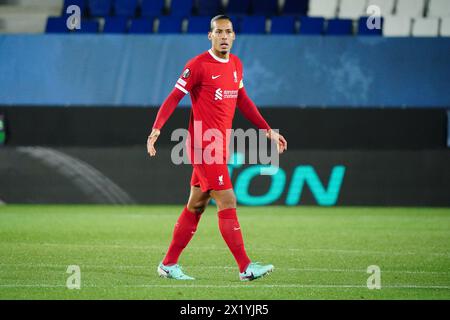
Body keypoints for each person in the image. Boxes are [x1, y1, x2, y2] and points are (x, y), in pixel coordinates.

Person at [147, 15, 287, 281]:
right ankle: (245, 268)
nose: (224, 36)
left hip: (220, 145)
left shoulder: (235, 64)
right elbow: (174, 96)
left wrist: (267, 130)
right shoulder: (198, 65)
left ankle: (168, 264)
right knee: (228, 199)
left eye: (228, 32)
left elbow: (243, 100)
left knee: (196, 205)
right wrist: (157, 128)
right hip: (204, 146)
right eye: (219, 32)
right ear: (210, 36)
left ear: (234, 36)